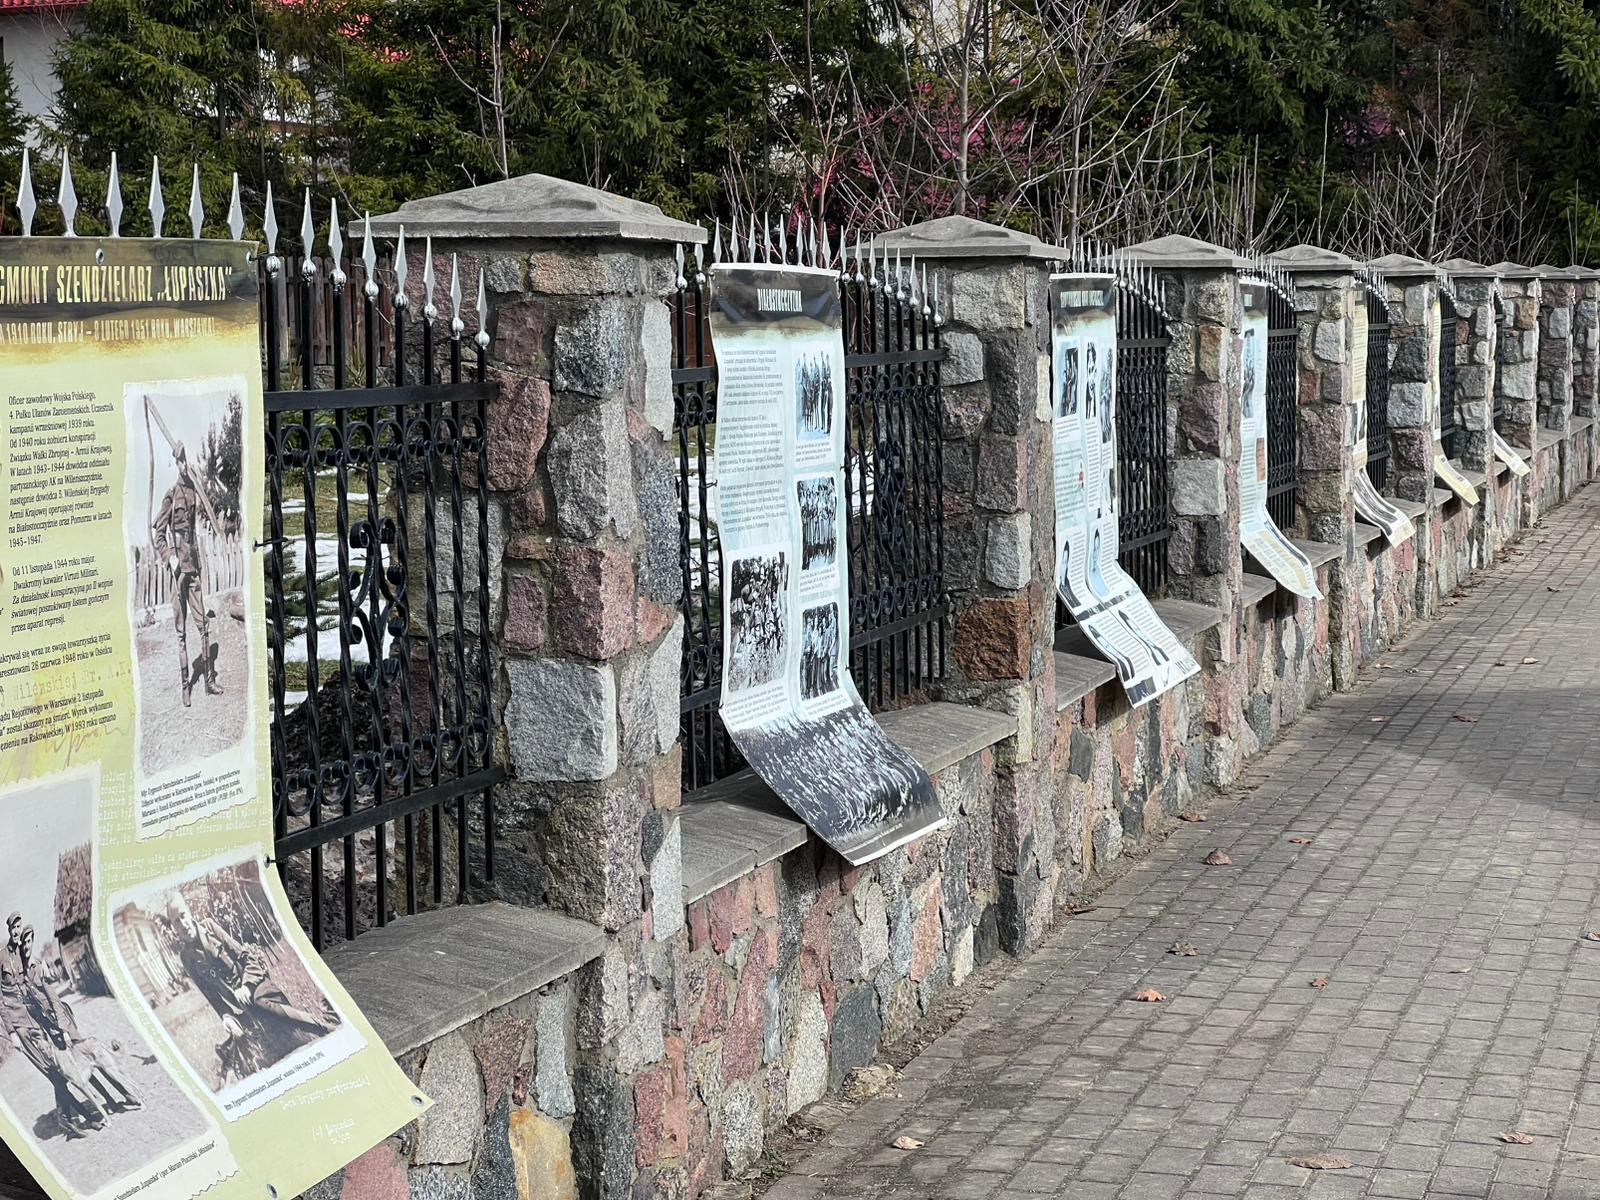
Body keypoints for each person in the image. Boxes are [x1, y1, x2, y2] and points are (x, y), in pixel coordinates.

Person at [165, 895, 338, 1083]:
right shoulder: (186, 957)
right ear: (173, 928)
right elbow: (211, 995)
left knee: (262, 1005)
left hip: (257, 986)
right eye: (176, 921)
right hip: (241, 1005)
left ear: (189, 913)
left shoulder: (209, 927)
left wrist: (246, 986)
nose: (182, 924)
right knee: (263, 1050)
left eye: (183, 916)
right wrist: (226, 1017)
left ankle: (323, 1026)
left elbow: (246, 956)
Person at [0, 913, 104, 1139]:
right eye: (14, 927)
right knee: (53, 1073)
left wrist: (43, 963)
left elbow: (34, 972)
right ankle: (81, 1118)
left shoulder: (23, 954)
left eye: (20, 925)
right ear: (9, 930)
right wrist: (12, 1032)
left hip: (38, 1022)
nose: (17, 931)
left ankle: (74, 1118)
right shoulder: (2, 957)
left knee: (59, 1069)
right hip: (22, 1028)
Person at [18, 926, 141, 1114]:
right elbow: (33, 1008)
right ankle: (109, 1101)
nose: (26, 946)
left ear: (31, 942)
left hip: (62, 1021)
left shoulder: (38, 966)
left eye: (28, 941)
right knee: (79, 1066)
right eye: (23, 943)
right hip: (51, 1029)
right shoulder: (22, 975)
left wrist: (64, 1029)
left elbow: (55, 1000)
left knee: (90, 1055)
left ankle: (127, 1094)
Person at [153, 441, 222, 708]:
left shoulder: (193, 494)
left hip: (193, 571)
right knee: (181, 634)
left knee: (204, 627)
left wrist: (199, 565)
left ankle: (209, 683)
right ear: (175, 463)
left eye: (186, 460)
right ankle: (186, 687)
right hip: (177, 574)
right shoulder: (171, 495)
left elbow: (193, 534)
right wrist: (168, 555)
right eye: (180, 461)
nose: (184, 465)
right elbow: (158, 532)